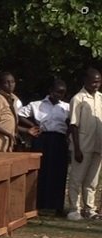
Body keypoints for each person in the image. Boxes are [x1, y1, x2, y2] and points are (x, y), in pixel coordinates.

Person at [19, 80, 69, 215]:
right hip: (42, 138)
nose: (60, 95)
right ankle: (37, 204)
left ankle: (57, 206)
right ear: (50, 90)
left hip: (59, 139)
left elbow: (73, 123)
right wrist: (32, 125)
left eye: (63, 92)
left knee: (58, 172)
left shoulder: (66, 107)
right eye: (58, 91)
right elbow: (19, 114)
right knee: (40, 171)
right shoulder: (36, 105)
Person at [66, 68, 102, 220]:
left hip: (98, 145)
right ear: (86, 81)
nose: (96, 84)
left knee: (92, 181)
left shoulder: (100, 97)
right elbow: (73, 125)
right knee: (77, 178)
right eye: (93, 81)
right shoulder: (78, 99)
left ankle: (90, 209)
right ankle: (74, 208)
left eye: (99, 81)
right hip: (82, 145)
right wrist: (77, 148)